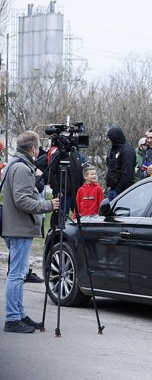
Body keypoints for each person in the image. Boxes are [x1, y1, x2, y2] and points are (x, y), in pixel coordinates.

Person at [1, 130, 60, 333]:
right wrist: (48, 205)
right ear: (33, 148)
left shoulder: (14, 164)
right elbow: (22, 200)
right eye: (37, 147)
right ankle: (12, 318)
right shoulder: (22, 168)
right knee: (17, 275)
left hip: (16, 226)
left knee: (17, 274)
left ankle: (19, 314)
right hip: (19, 228)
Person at [105, 126, 136, 200]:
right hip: (112, 189)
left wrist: (119, 189)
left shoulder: (127, 151)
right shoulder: (113, 150)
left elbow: (127, 173)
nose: (108, 140)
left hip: (121, 191)